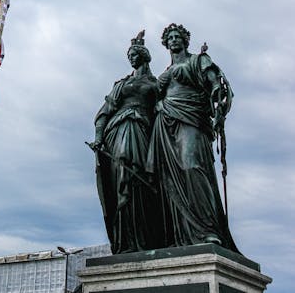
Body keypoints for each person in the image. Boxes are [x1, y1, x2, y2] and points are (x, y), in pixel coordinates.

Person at [146, 23, 238, 249]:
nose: (174, 40)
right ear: (166, 43)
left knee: (192, 166)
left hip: (191, 117)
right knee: (168, 177)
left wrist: (218, 107)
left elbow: (216, 84)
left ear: (185, 41)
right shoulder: (165, 72)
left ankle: (207, 229)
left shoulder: (198, 60)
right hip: (165, 122)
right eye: (170, 37)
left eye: (178, 36)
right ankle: (180, 236)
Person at [91, 31, 160, 253]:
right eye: (129, 55)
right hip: (120, 129)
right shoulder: (122, 84)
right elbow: (105, 111)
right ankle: (125, 241)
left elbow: (165, 110)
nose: (131, 58)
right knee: (123, 177)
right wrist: (99, 138)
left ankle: (146, 238)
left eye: (134, 54)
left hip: (145, 130)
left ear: (144, 56)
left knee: (139, 181)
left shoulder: (156, 83)